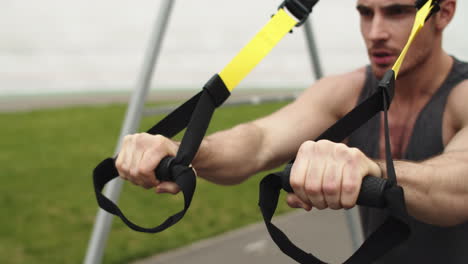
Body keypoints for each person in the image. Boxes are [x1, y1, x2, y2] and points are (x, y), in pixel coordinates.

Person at [116, 0, 468, 262]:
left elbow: (459, 184)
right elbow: (259, 141)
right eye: (365, 13)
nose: (375, 32)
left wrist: (371, 171)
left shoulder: (462, 95)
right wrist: (185, 150)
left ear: (444, 13)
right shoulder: (345, 91)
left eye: (397, 12)